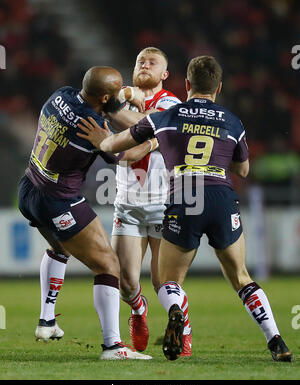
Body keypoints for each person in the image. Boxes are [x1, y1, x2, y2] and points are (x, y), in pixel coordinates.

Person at [77, 56, 292, 363]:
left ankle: (177, 315)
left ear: (186, 84)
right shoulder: (231, 120)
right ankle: (276, 340)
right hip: (220, 197)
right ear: (218, 88)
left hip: (183, 199)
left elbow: (117, 145)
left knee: (168, 281)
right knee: (241, 277)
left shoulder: (169, 113)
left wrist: (104, 140)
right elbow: (243, 170)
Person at [17, 65, 154, 360]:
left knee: (58, 248)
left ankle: (47, 320)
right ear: (106, 97)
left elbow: (105, 110)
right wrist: (153, 143)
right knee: (108, 265)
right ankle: (113, 347)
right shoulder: (91, 125)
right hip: (58, 200)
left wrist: (118, 101)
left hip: (29, 186)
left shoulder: (60, 95)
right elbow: (125, 155)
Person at [106, 47, 192, 356]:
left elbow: (147, 128)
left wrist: (143, 137)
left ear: (164, 75)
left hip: (163, 203)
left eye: (152, 62)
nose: (144, 64)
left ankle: (185, 329)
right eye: (140, 60)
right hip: (127, 203)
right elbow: (128, 145)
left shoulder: (170, 102)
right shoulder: (119, 102)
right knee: (126, 283)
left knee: (163, 281)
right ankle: (138, 312)